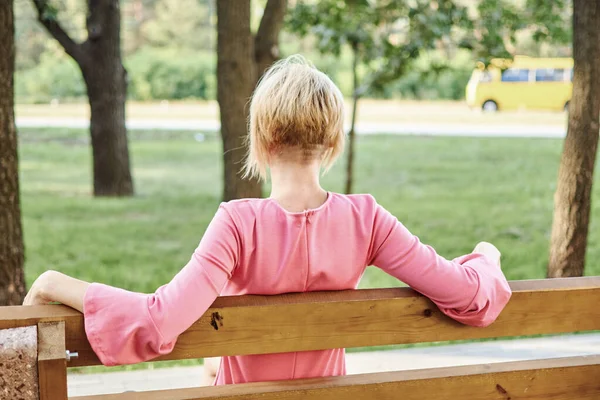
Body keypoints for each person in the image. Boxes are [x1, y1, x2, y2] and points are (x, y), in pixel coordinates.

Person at [23, 55, 511, 385]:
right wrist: (486, 256)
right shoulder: (367, 220)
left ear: (261, 141)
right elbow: (469, 295)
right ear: (333, 143)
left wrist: (54, 282)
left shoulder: (238, 224)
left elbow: (158, 321)